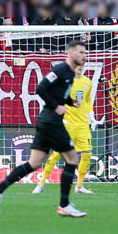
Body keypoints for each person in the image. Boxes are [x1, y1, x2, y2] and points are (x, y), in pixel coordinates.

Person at [0, 40, 89, 218]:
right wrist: (56, 107)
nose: (84, 56)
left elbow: (59, 94)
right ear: (71, 53)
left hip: (46, 121)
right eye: (81, 52)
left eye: (85, 52)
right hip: (51, 121)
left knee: (34, 164)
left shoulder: (70, 74)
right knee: (72, 159)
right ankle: (64, 205)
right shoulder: (60, 70)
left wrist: (70, 102)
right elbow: (41, 88)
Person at [34, 57, 95, 193]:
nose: (80, 66)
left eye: (82, 64)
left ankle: (79, 186)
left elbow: (87, 100)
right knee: (56, 154)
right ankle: (41, 183)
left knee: (87, 154)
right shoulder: (66, 81)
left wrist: (91, 115)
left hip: (83, 125)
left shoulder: (87, 82)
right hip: (67, 124)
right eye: (78, 64)